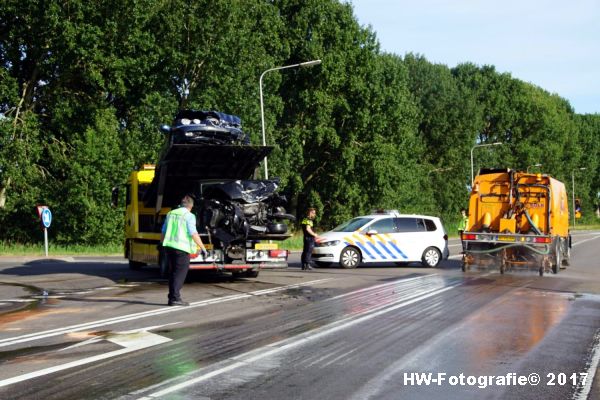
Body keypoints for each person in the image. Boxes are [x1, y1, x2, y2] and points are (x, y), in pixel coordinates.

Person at [161, 194, 207, 306]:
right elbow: (193, 233)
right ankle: (175, 298)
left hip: (169, 247)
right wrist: (202, 247)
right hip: (181, 249)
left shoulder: (170, 213)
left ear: (181, 204)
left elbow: (163, 231)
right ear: (191, 206)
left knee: (173, 273)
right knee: (180, 274)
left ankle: (172, 297)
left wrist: (162, 244)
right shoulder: (189, 216)